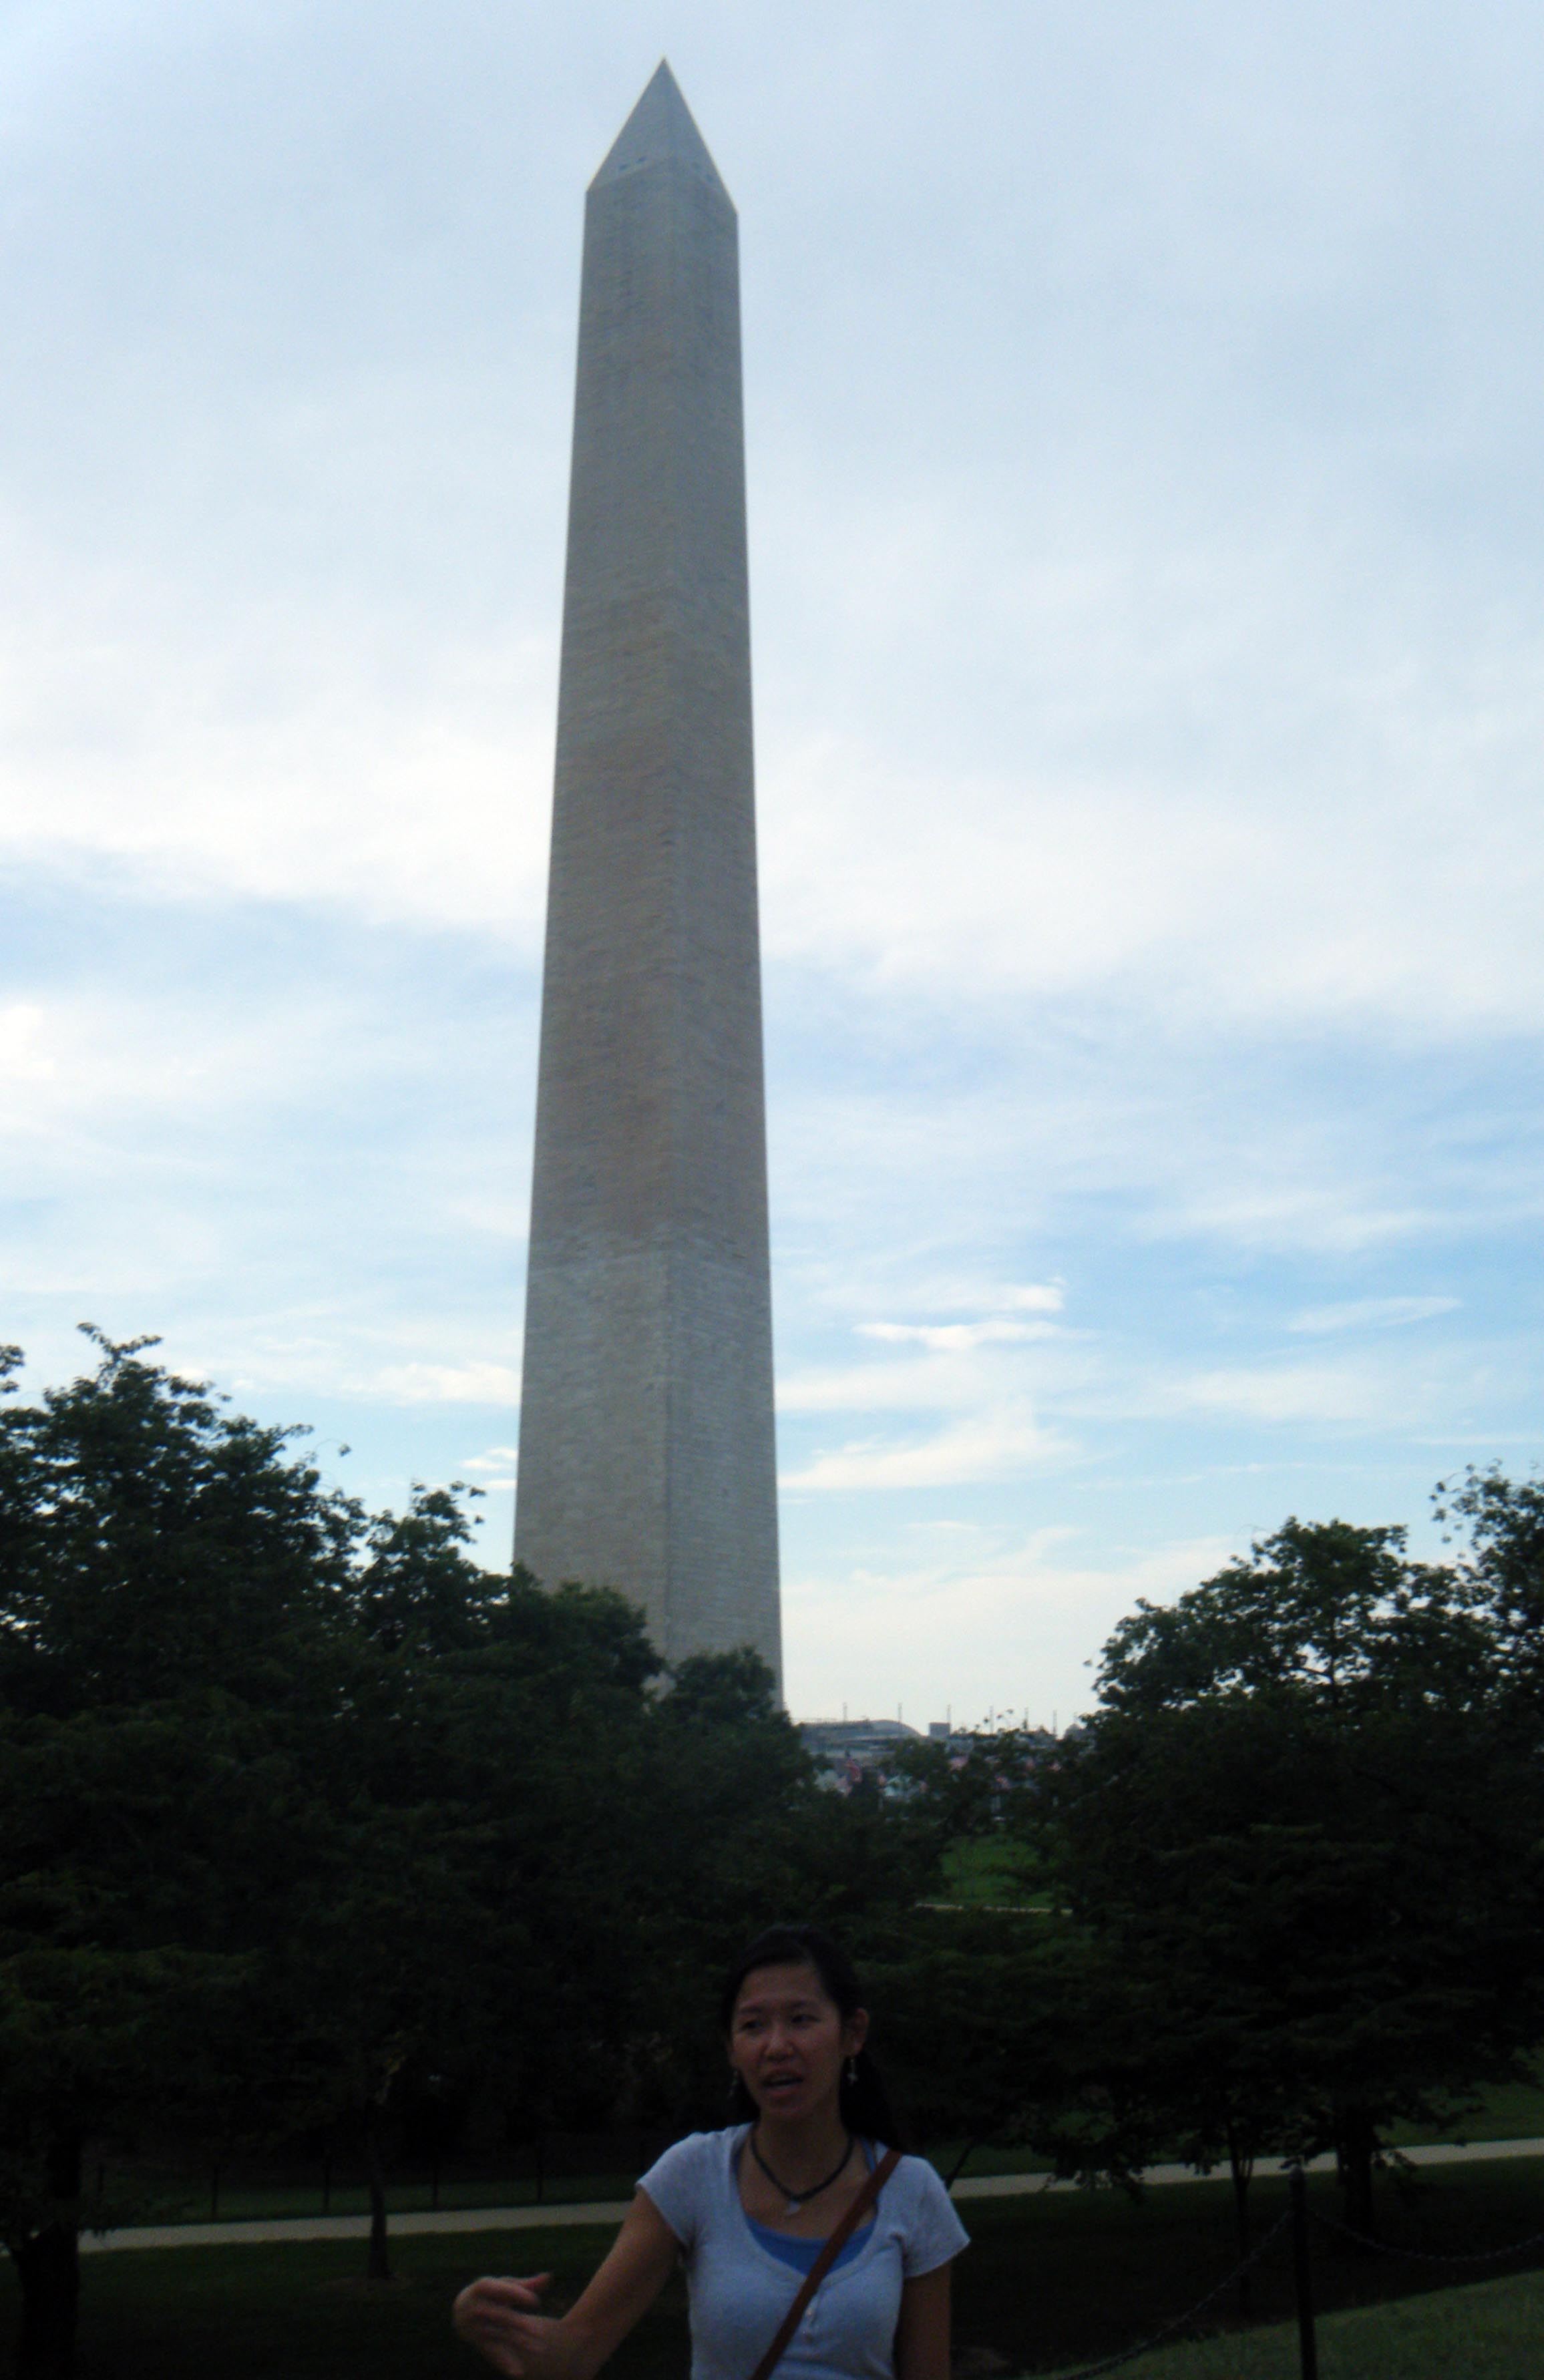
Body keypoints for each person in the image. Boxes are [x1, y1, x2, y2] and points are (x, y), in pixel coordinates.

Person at [453, 1923, 968, 2380]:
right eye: (752, 2026)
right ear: (730, 2048)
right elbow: (576, 2354)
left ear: (852, 2033)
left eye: (801, 2019)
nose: (776, 2046)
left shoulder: (912, 2191)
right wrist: (485, 2320)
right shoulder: (693, 2176)